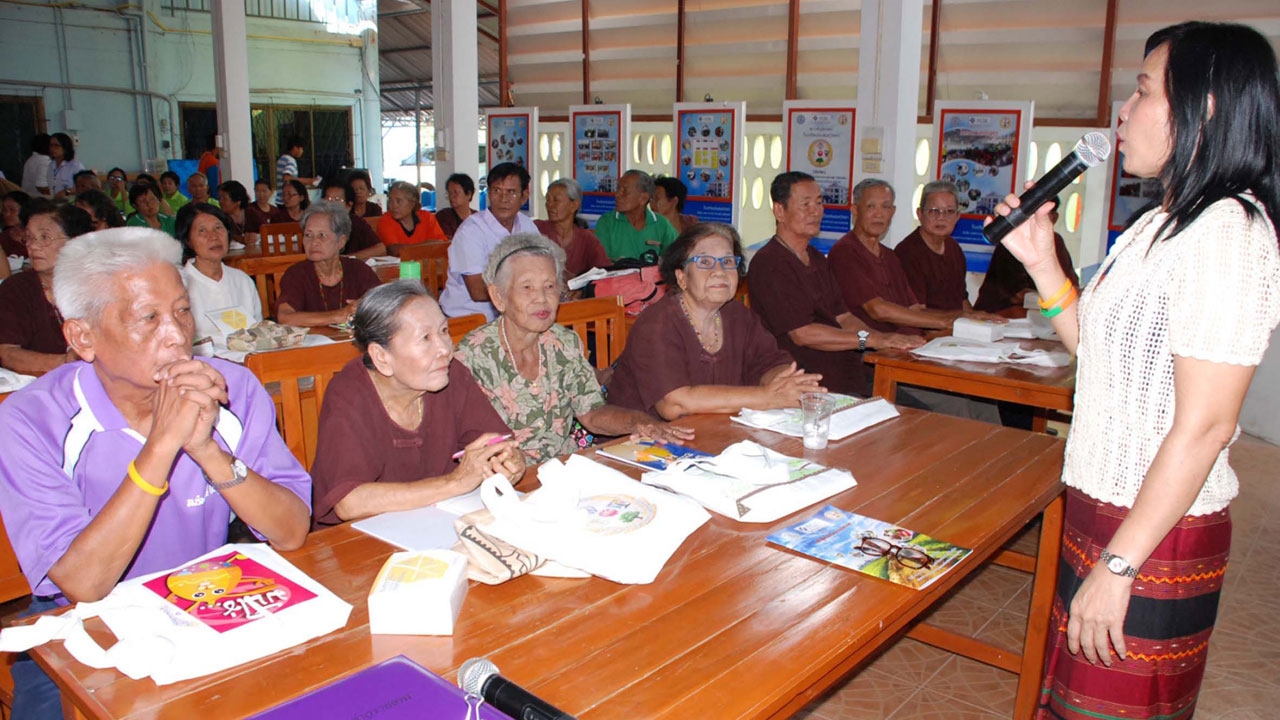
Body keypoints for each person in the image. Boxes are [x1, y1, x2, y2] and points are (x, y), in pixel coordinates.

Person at [988, 23, 1280, 720]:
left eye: (1143, 90)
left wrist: (1120, 568)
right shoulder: (1162, 224)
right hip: (1106, 505)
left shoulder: (1229, 235)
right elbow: (1101, 353)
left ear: (1202, 107)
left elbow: (1206, 425)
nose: (1122, 110)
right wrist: (1040, 261)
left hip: (1154, 528)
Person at [0, 228, 311, 719]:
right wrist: (163, 443)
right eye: (149, 318)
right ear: (83, 336)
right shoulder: (30, 419)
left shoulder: (232, 388)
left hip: (207, 599)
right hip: (84, 623)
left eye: (182, 311)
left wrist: (206, 448)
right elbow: (82, 582)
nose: (177, 334)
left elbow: (292, 531)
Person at [455, 234, 691, 463]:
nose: (541, 298)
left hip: (564, 468)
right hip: (506, 478)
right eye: (527, 287)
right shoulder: (474, 355)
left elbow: (591, 414)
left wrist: (639, 422)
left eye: (549, 286)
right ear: (498, 296)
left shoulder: (564, 343)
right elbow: (475, 443)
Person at [310, 280, 523, 526]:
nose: (445, 349)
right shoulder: (350, 393)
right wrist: (455, 482)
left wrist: (509, 461)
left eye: (444, 331)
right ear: (382, 357)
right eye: (425, 338)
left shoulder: (451, 374)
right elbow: (349, 501)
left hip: (437, 523)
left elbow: (498, 441)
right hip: (358, 539)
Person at [609, 223, 824, 419]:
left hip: (714, 432)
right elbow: (674, 403)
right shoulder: (657, 323)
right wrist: (768, 397)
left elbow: (769, 362)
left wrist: (783, 382)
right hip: (640, 443)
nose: (719, 271)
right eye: (704, 262)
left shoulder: (738, 315)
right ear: (681, 277)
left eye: (728, 261)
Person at [748, 172, 921, 396]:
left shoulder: (817, 258)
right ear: (780, 211)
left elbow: (844, 317)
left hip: (848, 372)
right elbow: (803, 334)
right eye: (806, 204)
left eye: (819, 203)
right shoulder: (770, 263)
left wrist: (883, 342)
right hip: (807, 380)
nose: (816, 211)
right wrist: (870, 340)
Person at [830, 179, 1001, 335]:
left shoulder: (889, 256)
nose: (879, 214)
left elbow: (914, 309)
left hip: (909, 342)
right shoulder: (845, 252)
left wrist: (965, 318)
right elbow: (877, 310)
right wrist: (948, 321)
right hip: (869, 347)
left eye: (886, 207)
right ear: (854, 210)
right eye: (871, 207)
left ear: (893, 212)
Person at [0, 201, 92, 374]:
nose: (33, 246)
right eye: (29, 237)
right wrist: (66, 362)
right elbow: (8, 354)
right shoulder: (17, 289)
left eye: (44, 237)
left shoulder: (101, 285)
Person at [439, 163, 539, 320]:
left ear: (524, 196)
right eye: (496, 191)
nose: (503, 199)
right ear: (488, 193)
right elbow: (478, 291)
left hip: (513, 316)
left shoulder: (527, 225)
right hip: (468, 318)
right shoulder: (471, 231)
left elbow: (540, 268)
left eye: (511, 192)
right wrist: (527, 289)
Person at [275, 200, 381, 327]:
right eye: (308, 235)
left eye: (322, 235)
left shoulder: (358, 270)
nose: (314, 242)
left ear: (341, 241)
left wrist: (363, 307)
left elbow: (383, 307)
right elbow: (284, 317)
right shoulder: (297, 274)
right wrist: (339, 315)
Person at [175, 203, 262, 348]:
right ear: (187, 240)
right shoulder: (178, 284)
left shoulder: (242, 280)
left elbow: (258, 330)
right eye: (202, 230)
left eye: (218, 228)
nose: (214, 236)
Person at [974, 196, 1080, 313]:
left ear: (1054, 218)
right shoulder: (1014, 241)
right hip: (999, 311)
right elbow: (1019, 296)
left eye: (1044, 215)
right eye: (1033, 214)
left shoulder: (1057, 241)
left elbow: (1071, 285)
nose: (1036, 219)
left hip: (1041, 311)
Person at [894, 180, 977, 313]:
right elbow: (917, 312)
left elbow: (962, 301)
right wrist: (960, 321)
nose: (941, 217)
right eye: (934, 211)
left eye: (949, 211)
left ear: (957, 216)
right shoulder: (908, 252)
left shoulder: (953, 248)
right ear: (920, 214)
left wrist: (978, 321)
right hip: (924, 330)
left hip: (954, 328)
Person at [533, 177, 609, 280]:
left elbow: (604, 273)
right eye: (548, 199)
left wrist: (578, 282)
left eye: (556, 200)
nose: (549, 205)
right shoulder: (536, 229)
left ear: (574, 205)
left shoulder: (588, 240)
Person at [594, 169, 678, 263]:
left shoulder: (662, 224)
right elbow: (602, 264)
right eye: (618, 189)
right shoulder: (607, 223)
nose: (617, 195)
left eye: (625, 191)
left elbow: (676, 258)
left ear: (643, 198)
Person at [374, 180, 446, 252]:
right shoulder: (386, 220)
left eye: (398, 201)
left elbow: (441, 244)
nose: (393, 206)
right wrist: (425, 245)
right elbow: (394, 250)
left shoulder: (427, 217)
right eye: (390, 201)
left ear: (412, 203)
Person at [321, 180, 385, 258]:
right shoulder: (315, 223)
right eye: (328, 199)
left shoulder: (356, 222)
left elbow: (380, 249)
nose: (331, 204)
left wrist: (347, 259)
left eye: (337, 200)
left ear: (349, 206)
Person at [275, 136, 318, 202]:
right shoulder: (291, 161)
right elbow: (287, 178)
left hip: (280, 198)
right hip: (288, 199)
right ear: (295, 148)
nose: (302, 151)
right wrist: (308, 181)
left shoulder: (282, 158)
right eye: (301, 149)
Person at [435, 172, 476, 239]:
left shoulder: (477, 217)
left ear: (469, 194)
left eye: (456, 192)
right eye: (449, 193)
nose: (452, 197)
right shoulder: (444, 216)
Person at [216, 180, 255, 244]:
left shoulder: (253, 214)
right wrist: (237, 238)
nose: (220, 201)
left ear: (238, 201)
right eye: (219, 198)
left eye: (224, 199)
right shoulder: (220, 218)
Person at [48, 133, 85, 199]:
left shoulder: (75, 166)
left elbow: (84, 187)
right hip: (55, 202)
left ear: (65, 148)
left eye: (56, 145)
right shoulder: (51, 165)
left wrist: (67, 191)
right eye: (51, 145)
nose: (52, 149)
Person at [21, 133, 51, 197]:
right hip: (41, 201)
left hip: (28, 197)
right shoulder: (45, 161)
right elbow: (41, 186)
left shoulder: (31, 159)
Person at [1, 190, 30, 257]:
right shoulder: (4, 237)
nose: (6, 214)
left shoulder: (36, 234)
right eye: (4, 210)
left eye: (12, 210)